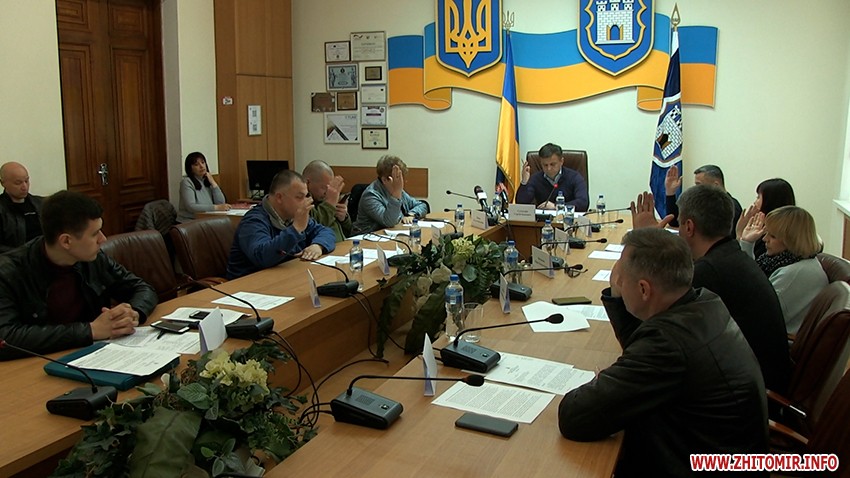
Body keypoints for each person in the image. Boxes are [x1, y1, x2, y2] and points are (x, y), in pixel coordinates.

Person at [558, 227, 768, 477]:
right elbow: (640, 350)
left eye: (621, 279)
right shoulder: (705, 303)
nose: (618, 283)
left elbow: (575, 417)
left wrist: (605, 382)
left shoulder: (667, 345)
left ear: (644, 289)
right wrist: (617, 298)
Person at [632, 187, 790, 393]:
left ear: (689, 227)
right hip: (754, 380)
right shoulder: (730, 256)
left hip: (745, 392)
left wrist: (642, 245)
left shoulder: (709, 272)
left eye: (680, 225)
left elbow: (649, 325)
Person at [0, 191, 157, 360]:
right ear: (66, 241)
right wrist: (91, 330)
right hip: (37, 363)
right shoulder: (8, 271)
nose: (103, 239)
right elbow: (5, 338)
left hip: (94, 354)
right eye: (94, 233)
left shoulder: (93, 259)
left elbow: (141, 288)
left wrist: (133, 313)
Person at [227, 170, 336, 279]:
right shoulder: (253, 222)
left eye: (306, 196)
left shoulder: (292, 216)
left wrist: (318, 245)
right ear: (279, 197)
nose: (305, 202)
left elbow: (325, 231)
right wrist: (296, 229)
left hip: (284, 277)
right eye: (299, 197)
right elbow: (262, 257)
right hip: (250, 282)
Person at [740, 206, 828, 335]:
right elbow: (752, 281)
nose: (765, 239)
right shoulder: (785, 261)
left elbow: (755, 313)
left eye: (773, 236)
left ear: (791, 240)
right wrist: (747, 243)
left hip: (776, 340)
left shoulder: (795, 273)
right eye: (766, 232)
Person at [352, 155, 429, 235]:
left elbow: (422, 205)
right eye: (398, 178)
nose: (401, 183)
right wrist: (396, 194)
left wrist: (411, 214)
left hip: (391, 235)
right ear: (385, 180)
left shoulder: (398, 190)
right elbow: (389, 222)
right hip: (366, 238)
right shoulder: (370, 195)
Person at [664, 164, 743, 237]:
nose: (696, 189)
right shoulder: (703, 203)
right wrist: (670, 191)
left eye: (699, 185)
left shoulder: (731, 207)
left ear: (715, 185)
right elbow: (675, 222)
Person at [516, 143, 588, 211]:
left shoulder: (574, 177)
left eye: (552, 164)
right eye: (545, 165)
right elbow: (521, 205)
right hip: (543, 219)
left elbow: (583, 202)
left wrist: (556, 207)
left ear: (561, 161)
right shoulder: (535, 178)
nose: (549, 169)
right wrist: (524, 182)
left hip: (568, 217)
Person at [736, 178, 796, 258]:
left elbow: (746, 261)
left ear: (770, 201)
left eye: (758, 197)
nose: (755, 202)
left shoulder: (773, 234)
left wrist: (740, 234)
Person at [302, 160, 351, 242]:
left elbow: (349, 232)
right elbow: (314, 230)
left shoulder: (324, 198)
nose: (326, 192)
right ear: (308, 183)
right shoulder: (302, 202)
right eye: (323, 187)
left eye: (329, 187)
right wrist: (330, 203)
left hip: (342, 245)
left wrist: (344, 219)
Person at [0, 162, 44, 253]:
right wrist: (23, 253)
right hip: (15, 257)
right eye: (18, 183)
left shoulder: (40, 203)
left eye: (26, 181)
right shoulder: (2, 209)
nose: (24, 187)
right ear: (3, 183)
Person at [177, 152, 231, 223]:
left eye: (203, 162)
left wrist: (213, 183)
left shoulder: (207, 180)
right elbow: (191, 206)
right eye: (196, 164)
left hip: (205, 220)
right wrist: (216, 207)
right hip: (188, 222)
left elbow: (221, 202)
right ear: (190, 168)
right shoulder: (187, 182)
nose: (201, 166)